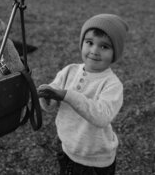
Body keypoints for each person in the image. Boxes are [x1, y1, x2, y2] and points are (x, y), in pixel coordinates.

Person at [38, 14, 129, 175]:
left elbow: (102, 116)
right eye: (90, 42)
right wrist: (47, 95)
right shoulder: (69, 70)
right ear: (82, 43)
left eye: (104, 47)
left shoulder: (112, 84)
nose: (94, 50)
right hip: (67, 147)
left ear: (115, 53)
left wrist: (67, 95)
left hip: (95, 160)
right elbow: (53, 101)